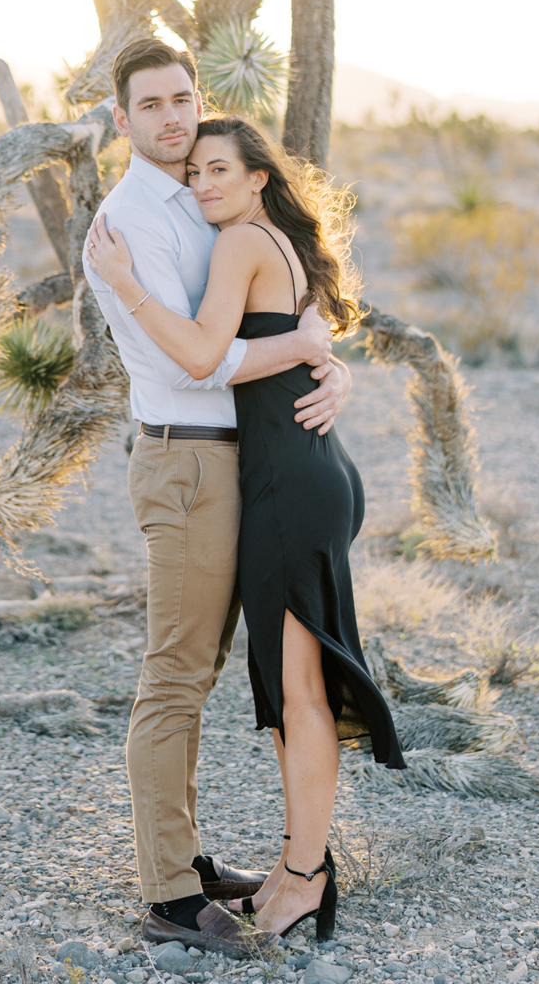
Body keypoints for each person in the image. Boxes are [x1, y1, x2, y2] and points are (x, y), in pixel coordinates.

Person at [86, 113, 405, 942]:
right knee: (291, 689)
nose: (204, 184)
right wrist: (319, 354)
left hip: (285, 482)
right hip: (306, 471)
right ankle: (305, 867)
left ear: (260, 176)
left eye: (220, 169)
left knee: (299, 693)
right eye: (195, 174)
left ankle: (302, 878)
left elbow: (200, 353)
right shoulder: (277, 242)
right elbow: (285, 343)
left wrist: (125, 283)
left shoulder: (239, 244)